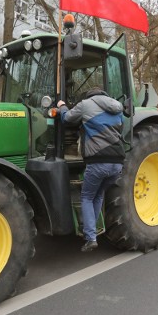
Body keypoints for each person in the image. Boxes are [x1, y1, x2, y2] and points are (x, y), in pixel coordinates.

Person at [57, 87, 125, 252]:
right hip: (117, 163)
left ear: (89, 96)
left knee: (86, 197)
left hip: (98, 162)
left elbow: (67, 118)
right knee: (98, 194)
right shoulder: (117, 106)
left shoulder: (86, 104)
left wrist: (62, 106)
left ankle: (90, 238)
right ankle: (92, 230)